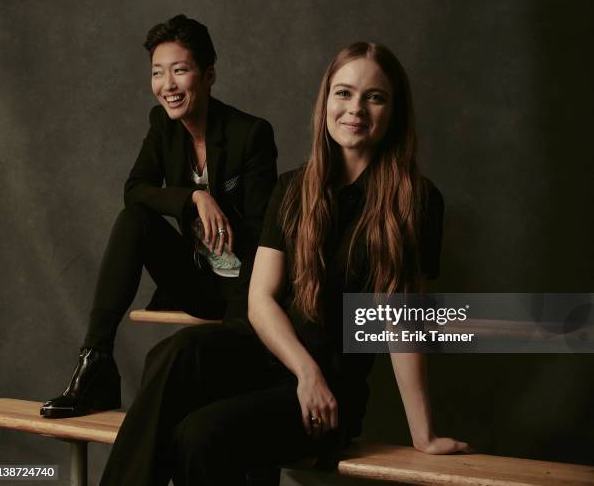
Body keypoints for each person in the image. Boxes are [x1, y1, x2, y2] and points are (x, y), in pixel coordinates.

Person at [99, 41, 470, 486]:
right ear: (326, 101)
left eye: (374, 97)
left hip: (332, 385)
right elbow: (260, 300)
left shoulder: (416, 200)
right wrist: (303, 371)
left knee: (200, 436)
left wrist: (422, 434)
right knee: (176, 352)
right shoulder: (293, 189)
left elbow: (400, 324)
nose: (355, 109)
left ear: (394, 111)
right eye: (344, 93)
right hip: (273, 355)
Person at [40, 14, 278, 418]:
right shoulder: (163, 127)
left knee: (218, 397)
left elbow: (264, 235)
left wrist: (256, 308)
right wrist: (192, 199)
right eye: (157, 73)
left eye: (180, 71)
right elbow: (136, 191)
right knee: (134, 219)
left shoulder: (250, 134)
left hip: (246, 287)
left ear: (209, 75)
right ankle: (95, 361)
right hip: (197, 281)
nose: (167, 86)